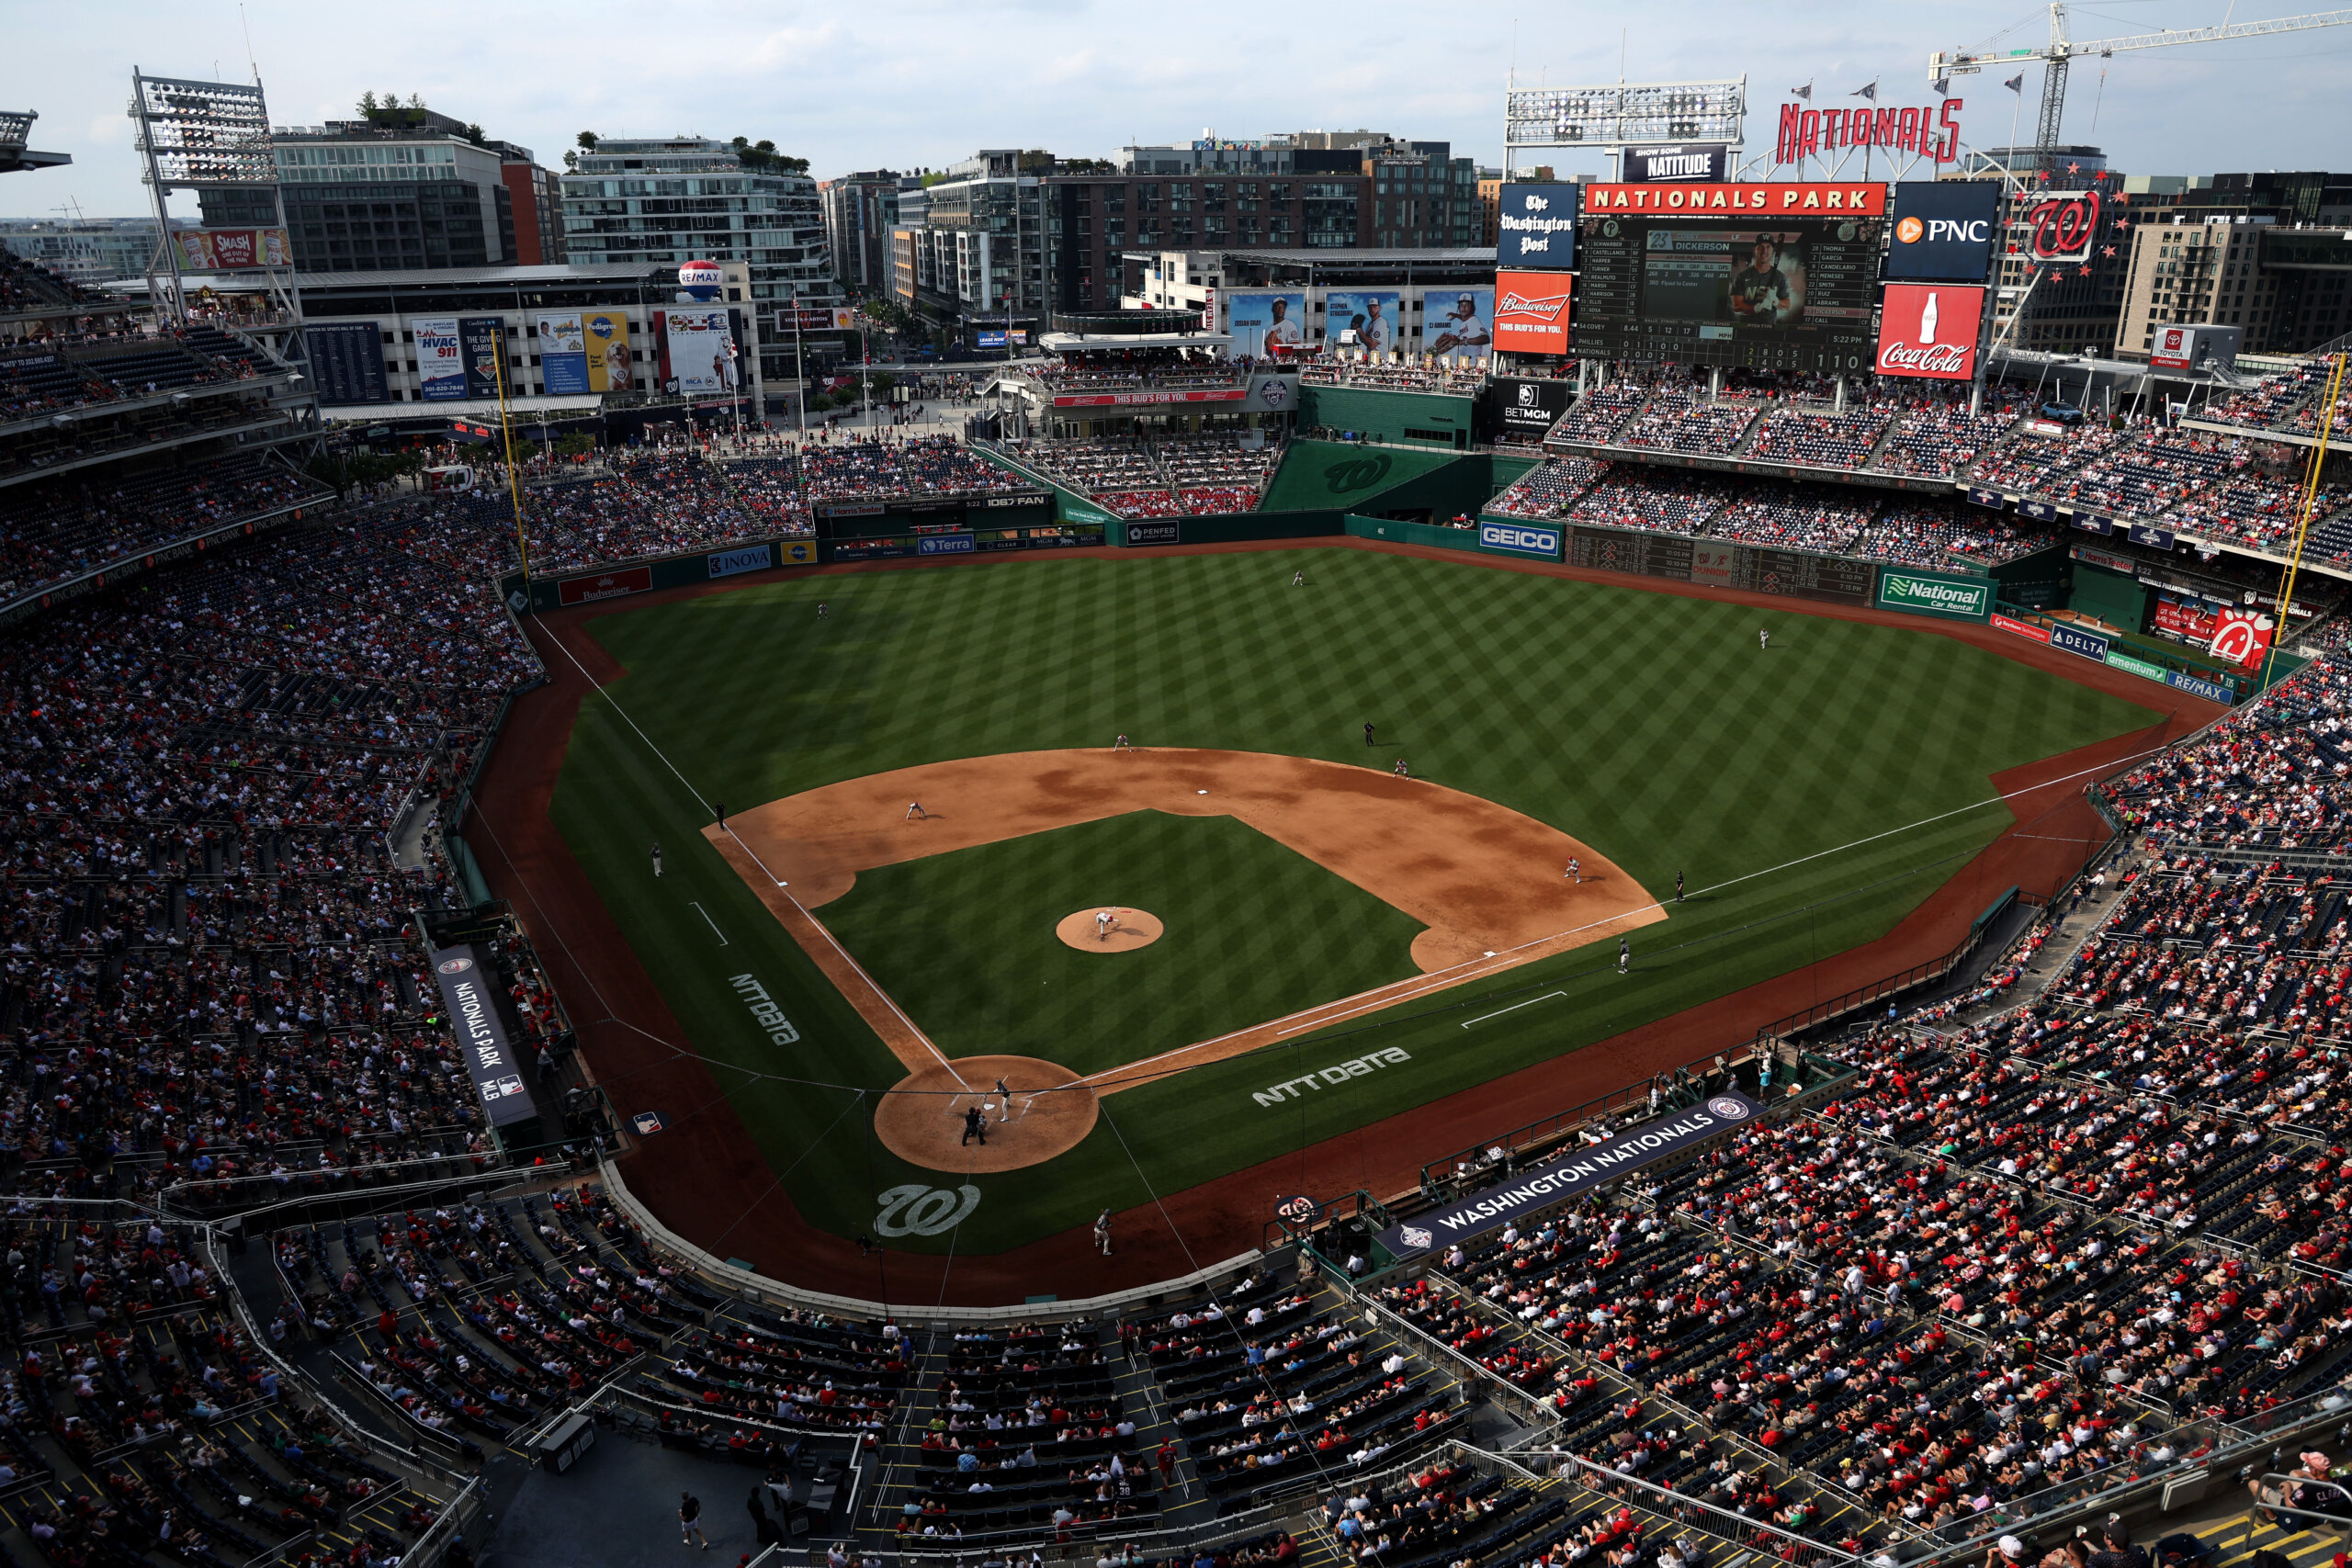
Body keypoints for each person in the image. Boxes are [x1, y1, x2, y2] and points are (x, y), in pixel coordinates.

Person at [1729, 238, 1795, 321]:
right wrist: (1756, 308)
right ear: (1754, 249)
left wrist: (1776, 301)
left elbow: (1787, 305)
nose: (1764, 251)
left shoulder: (1780, 277)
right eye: (1760, 247)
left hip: (1770, 329)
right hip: (1745, 328)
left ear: (1772, 250)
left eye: (1768, 247)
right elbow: (1736, 306)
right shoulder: (1742, 276)